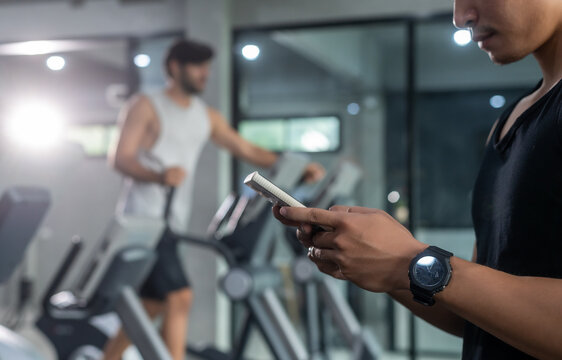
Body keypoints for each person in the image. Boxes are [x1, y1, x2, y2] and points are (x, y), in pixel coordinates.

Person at [274, 0, 562, 359]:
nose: (461, 17)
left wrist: (407, 261)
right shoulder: (506, 125)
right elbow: (477, 316)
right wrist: (384, 265)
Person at [103, 39, 324, 360]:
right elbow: (119, 158)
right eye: (197, 66)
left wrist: (296, 168)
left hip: (172, 221)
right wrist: (160, 176)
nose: (205, 73)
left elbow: (245, 149)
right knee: (180, 297)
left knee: (152, 305)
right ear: (175, 68)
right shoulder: (146, 105)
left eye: (207, 66)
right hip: (144, 221)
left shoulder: (206, 116)